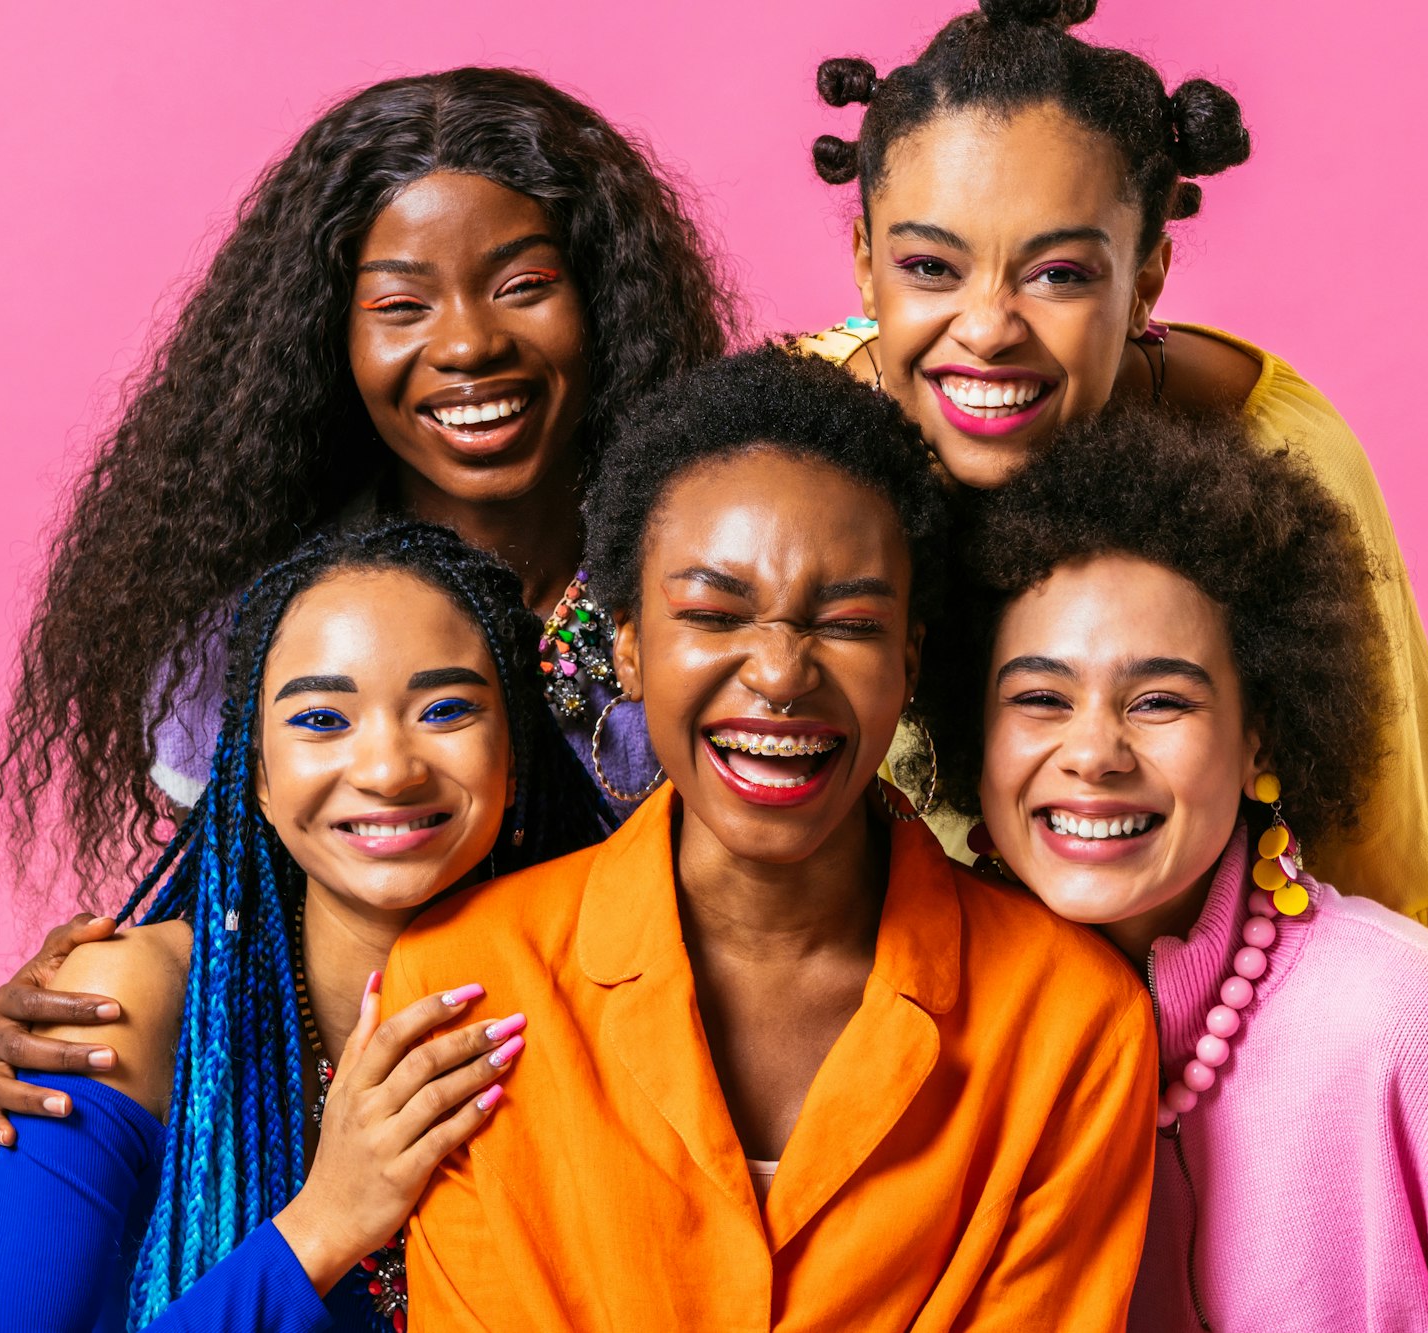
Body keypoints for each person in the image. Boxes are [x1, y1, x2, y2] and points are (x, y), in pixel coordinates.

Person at [801, 0, 1428, 1289]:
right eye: (929, 266)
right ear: (861, 261)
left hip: (1226, 1090)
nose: (988, 330)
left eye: (1059, 271)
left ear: (1151, 275)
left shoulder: (1275, 457)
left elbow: (1401, 849)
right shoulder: (795, 467)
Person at [0, 67, 737, 1145]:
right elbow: (231, 931)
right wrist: (89, 1004)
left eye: (522, 285)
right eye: (400, 305)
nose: (468, 342)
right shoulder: (258, 633)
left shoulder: (718, 599)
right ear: (326, 340)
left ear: (604, 300)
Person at [381, 346, 1157, 1330]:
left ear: (907, 659)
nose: (781, 674)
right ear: (625, 642)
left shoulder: (1071, 1024)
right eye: (713, 612)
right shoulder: (464, 988)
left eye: (847, 621)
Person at [922, 407, 1428, 1329]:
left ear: (1258, 731)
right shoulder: (934, 1030)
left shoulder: (1410, 1028)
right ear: (974, 735)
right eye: (1039, 697)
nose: (1093, 752)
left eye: (1158, 699)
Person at [0, 521, 604, 1330]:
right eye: (322, 720)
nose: (389, 769)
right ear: (254, 772)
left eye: (445, 709)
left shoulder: (606, 989)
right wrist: (323, 1224)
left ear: (514, 752)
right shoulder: (135, 1008)